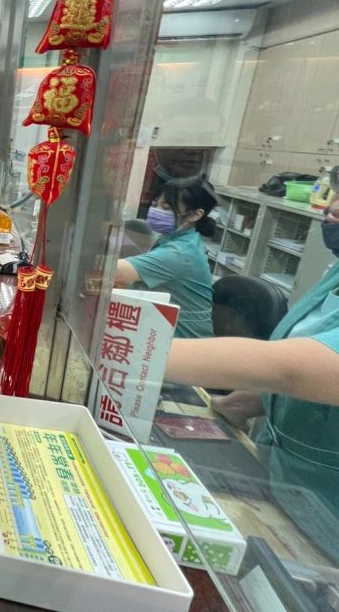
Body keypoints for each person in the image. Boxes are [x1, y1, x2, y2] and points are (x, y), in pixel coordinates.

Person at [165, 193, 339, 557]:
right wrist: (246, 403)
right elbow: (311, 363)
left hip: (328, 518)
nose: (332, 207)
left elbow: (288, 370)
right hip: (282, 482)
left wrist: (141, 349)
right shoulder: (335, 275)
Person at [114, 176, 217, 338]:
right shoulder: (175, 238)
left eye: (166, 208)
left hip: (182, 343)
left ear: (195, 215)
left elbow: (114, 272)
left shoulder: (180, 254)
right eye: (155, 205)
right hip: (159, 332)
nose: (156, 211)